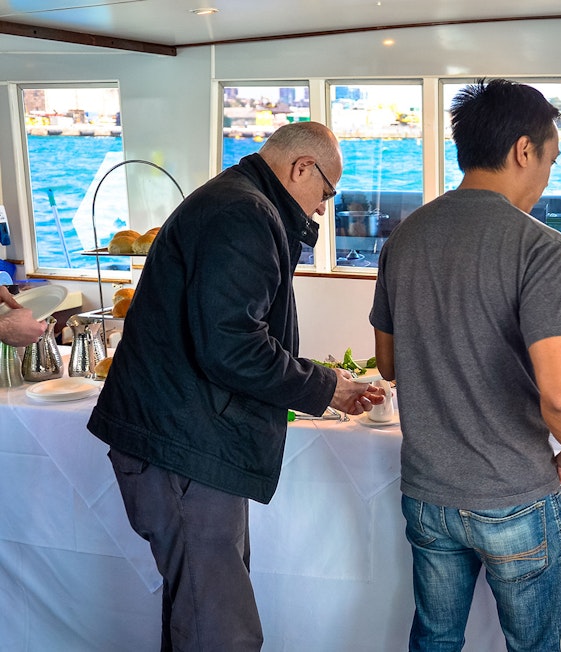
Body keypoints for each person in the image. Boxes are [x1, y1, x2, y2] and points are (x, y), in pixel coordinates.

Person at [87, 121, 385, 652]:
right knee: (218, 629)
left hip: (186, 442)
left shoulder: (237, 200)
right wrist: (323, 387)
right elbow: (230, 346)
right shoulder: (243, 212)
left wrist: (318, 376)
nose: (322, 208)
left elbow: (229, 334)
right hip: (185, 449)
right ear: (301, 168)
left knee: (200, 610)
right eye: (327, 191)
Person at [369, 78, 561, 652]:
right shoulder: (540, 246)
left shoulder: (405, 237)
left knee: (435, 640)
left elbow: (388, 363)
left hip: (428, 493)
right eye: (552, 158)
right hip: (513, 492)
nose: (549, 176)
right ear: (525, 150)